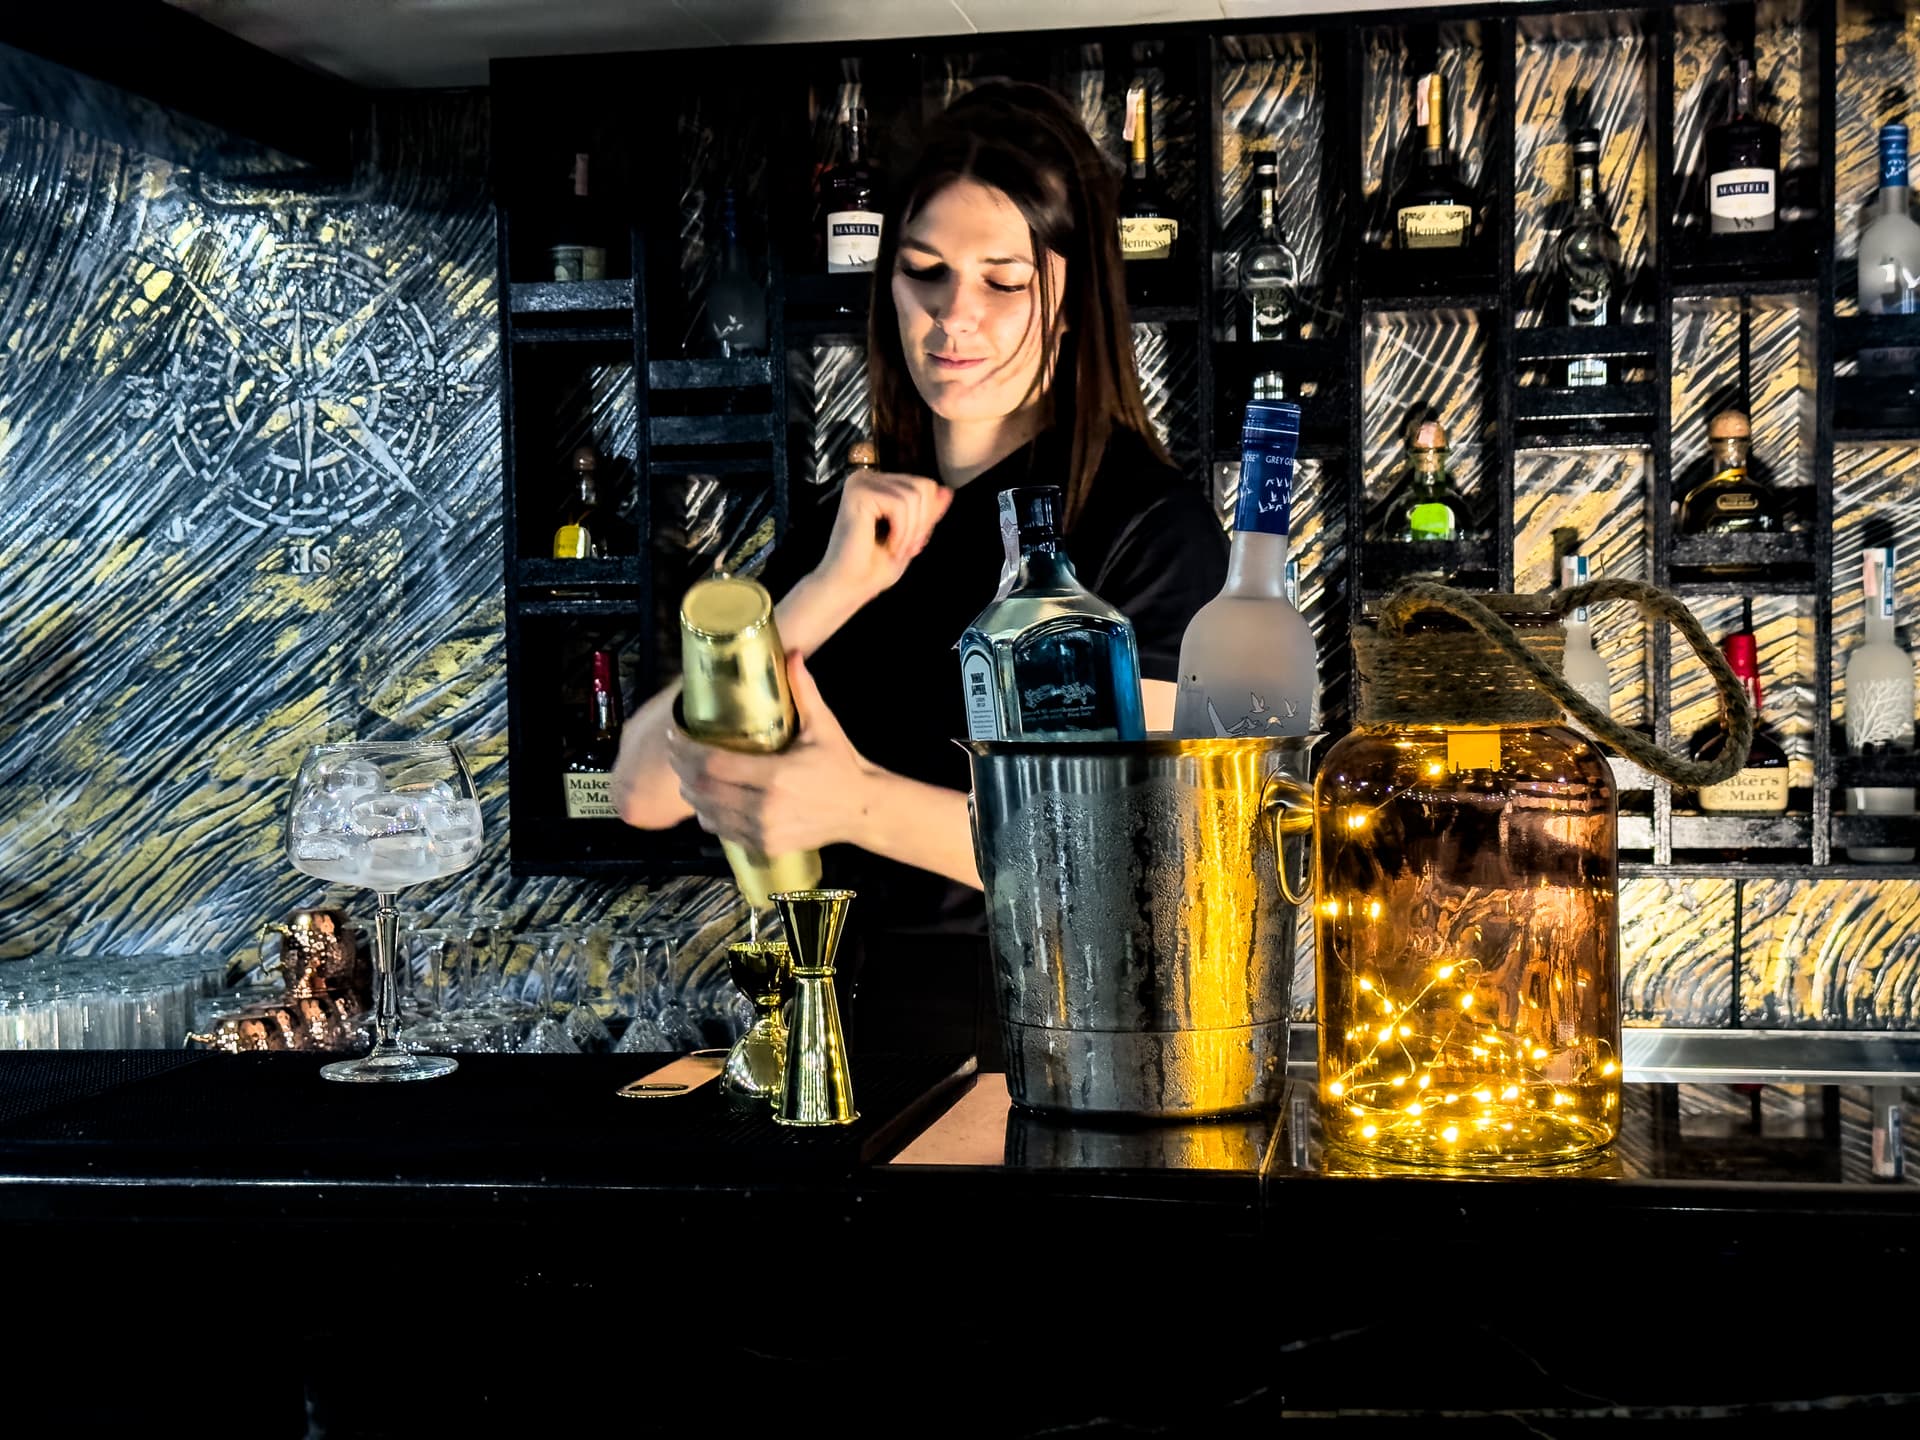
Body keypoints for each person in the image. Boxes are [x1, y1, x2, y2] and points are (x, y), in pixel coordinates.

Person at [612, 82, 1227, 1063]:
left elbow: (1133, 848)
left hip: (1050, 1045)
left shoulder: (1146, 526)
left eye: (1003, 280)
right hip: (838, 1031)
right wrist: (825, 595)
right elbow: (642, 790)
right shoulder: (846, 520)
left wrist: (855, 803)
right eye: (925, 273)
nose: (955, 317)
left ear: (1073, 294)